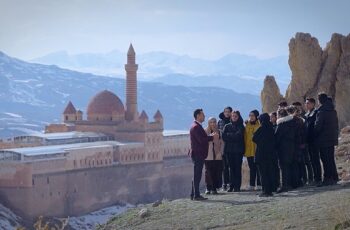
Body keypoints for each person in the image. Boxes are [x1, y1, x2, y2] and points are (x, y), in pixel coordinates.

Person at [190, 109, 219, 200]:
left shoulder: (197, 126)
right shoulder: (196, 127)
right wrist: (212, 137)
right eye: (203, 115)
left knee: (197, 174)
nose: (204, 116)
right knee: (197, 174)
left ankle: (194, 194)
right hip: (198, 154)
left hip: (198, 154)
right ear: (198, 116)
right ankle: (196, 195)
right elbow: (201, 140)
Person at [314, 93, 339, 186]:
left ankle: (327, 178)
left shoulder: (321, 111)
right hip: (332, 138)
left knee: (325, 159)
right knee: (331, 158)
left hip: (323, 139)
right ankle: (334, 177)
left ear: (320, 100)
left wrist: (314, 134)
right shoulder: (332, 110)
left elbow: (318, 126)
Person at [275, 108, 299, 193]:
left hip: (283, 149)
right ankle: (294, 183)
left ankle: (285, 185)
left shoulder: (281, 124)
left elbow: (277, 138)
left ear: (280, 115)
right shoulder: (292, 122)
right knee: (291, 166)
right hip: (292, 147)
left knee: (284, 167)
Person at [253, 113, 276, 197]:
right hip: (270, 154)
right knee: (270, 172)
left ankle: (265, 191)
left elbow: (254, 138)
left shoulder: (261, 128)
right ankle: (270, 190)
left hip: (261, 154)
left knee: (263, 174)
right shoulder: (271, 128)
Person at [222, 110, 245, 192]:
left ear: (238, 117)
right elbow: (224, 136)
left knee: (237, 168)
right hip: (229, 151)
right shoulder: (227, 126)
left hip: (238, 151)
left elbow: (238, 137)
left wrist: (229, 135)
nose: (234, 117)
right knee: (230, 169)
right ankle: (231, 186)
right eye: (233, 116)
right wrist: (233, 135)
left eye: (236, 116)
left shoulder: (241, 126)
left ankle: (237, 186)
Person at [305, 98, 322, 186]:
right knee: (312, 160)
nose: (306, 105)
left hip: (314, 140)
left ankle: (318, 178)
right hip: (309, 141)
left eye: (308, 103)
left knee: (316, 160)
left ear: (313, 104)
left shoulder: (315, 113)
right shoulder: (307, 114)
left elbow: (315, 127)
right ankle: (315, 177)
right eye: (306, 103)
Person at [204, 117, 223, 195]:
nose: (212, 123)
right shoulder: (205, 131)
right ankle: (208, 188)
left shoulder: (219, 132)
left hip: (217, 155)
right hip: (208, 155)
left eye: (214, 122)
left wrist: (221, 152)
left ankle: (214, 188)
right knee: (208, 172)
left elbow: (222, 143)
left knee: (216, 172)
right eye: (211, 122)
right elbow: (203, 142)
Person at [286, 105, 303, 188]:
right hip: (298, 144)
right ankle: (298, 182)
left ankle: (294, 183)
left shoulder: (291, 122)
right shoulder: (300, 120)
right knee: (297, 164)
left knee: (293, 164)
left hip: (292, 145)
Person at [244, 110, 261, 190]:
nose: (251, 117)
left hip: (257, 149)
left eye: (253, 115)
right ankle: (251, 185)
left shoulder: (260, 125)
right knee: (252, 168)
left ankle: (259, 184)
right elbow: (245, 137)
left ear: (257, 116)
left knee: (258, 168)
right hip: (249, 150)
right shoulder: (247, 125)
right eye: (250, 115)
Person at [218, 106, 233, 191]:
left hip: (231, 146)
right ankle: (225, 183)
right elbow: (219, 132)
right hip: (223, 146)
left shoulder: (233, 120)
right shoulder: (220, 121)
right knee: (224, 166)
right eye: (225, 112)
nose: (227, 113)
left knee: (231, 166)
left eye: (228, 111)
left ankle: (231, 183)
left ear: (231, 112)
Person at [270, 111, 280, 191]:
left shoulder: (278, 126)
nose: (271, 119)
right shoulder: (270, 126)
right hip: (272, 150)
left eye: (272, 117)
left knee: (277, 167)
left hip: (277, 149)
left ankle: (278, 182)